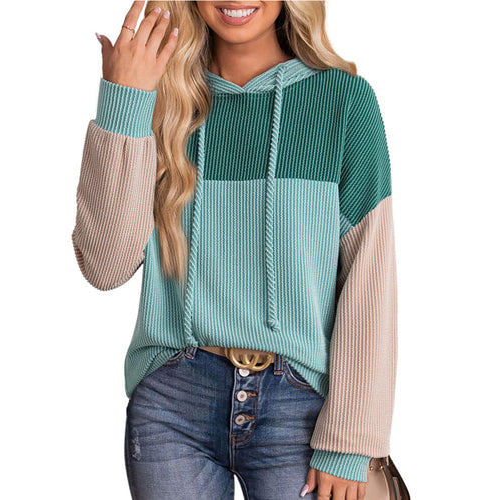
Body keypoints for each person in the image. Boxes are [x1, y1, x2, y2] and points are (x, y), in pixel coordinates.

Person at [71, 1, 398, 499]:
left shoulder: (343, 103)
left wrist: (350, 442)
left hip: (300, 412)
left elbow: (369, 278)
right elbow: (104, 266)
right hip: (171, 406)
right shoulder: (158, 100)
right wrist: (124, 100)